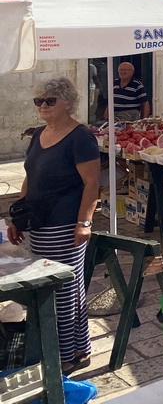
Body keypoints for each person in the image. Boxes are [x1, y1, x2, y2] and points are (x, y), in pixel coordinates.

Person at [8, 77, 100, 374]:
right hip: (39, 224)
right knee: (62, 290)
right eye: (39, 101)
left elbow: (92, 183)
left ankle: (63, 357)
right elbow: (30, 177)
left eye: (50, 101)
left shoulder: (80, 137)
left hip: (65, 224)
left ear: (68, 102)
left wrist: (84, 222)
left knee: (62, 292)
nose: (43, 106)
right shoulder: (38, 135)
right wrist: (19, 216)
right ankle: (78, 349)